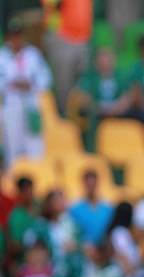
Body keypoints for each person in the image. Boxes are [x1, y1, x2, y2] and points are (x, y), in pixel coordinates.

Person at [0, 17, 52, 167]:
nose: (16, 39)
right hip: (11, 103)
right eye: (13, 35)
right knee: (13, 144)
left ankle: (36, 173)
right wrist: (12, 84)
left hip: (31, 103)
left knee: (34, 143)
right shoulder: (2, 56)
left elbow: (46, 78)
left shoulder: (33, 54)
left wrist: (32, 84)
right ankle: (14, 175)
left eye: (18, 35)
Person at [42, 0, 93, 112]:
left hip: (83, 38)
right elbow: (50, 4)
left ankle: (80, 120)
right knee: (64, 85)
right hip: (62, 36)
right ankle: (64, 120)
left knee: (83, 84)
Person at [106, 201, 144, 277]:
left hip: (130, 271)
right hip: (125, 273)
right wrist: (131, 272)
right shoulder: (119, 232)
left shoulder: (124, 232)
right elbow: (122, 255)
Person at [69, 169, 114, 247]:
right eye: (89, 185)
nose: (91, 188)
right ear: (84, 184)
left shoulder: (108, 208)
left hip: (104, 250)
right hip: (83, 250)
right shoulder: (74, 208)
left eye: (93, 185)